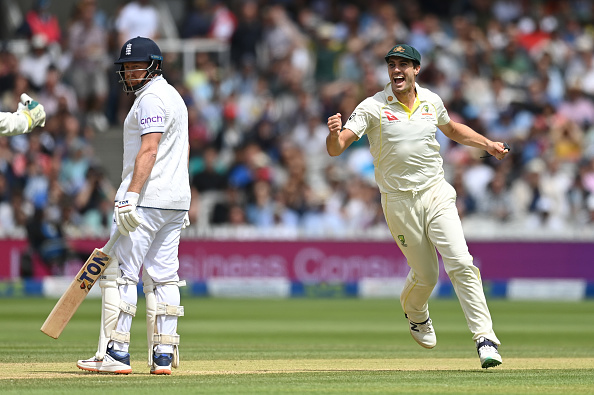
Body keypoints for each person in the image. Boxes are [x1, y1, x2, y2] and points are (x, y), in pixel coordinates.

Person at [325, 44, 509, 369]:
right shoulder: (372, 106)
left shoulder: (432, 101)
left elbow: (451, 130)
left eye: (403, 65)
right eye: (392, 65)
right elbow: (338, 147)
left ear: (416, 70)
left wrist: (488, 144)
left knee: (461, 263)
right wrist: (333, 135)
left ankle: (485, 338)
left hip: (436, 193)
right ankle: (415, 312)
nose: (397, 70)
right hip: (398, 203)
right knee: (426, 276)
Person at [76, 37, 191, 375]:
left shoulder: (151, 98)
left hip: (146, 200)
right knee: (164, 277)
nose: (128, 72)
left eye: (135, 66)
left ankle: (117, 354)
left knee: (124, 273)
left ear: (153, 65)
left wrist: (131, 195)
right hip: (174, 201)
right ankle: (163, 356)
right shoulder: (174, 97)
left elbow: (150, 150)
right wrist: (182, 194)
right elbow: (182, 150)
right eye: (125, 67)